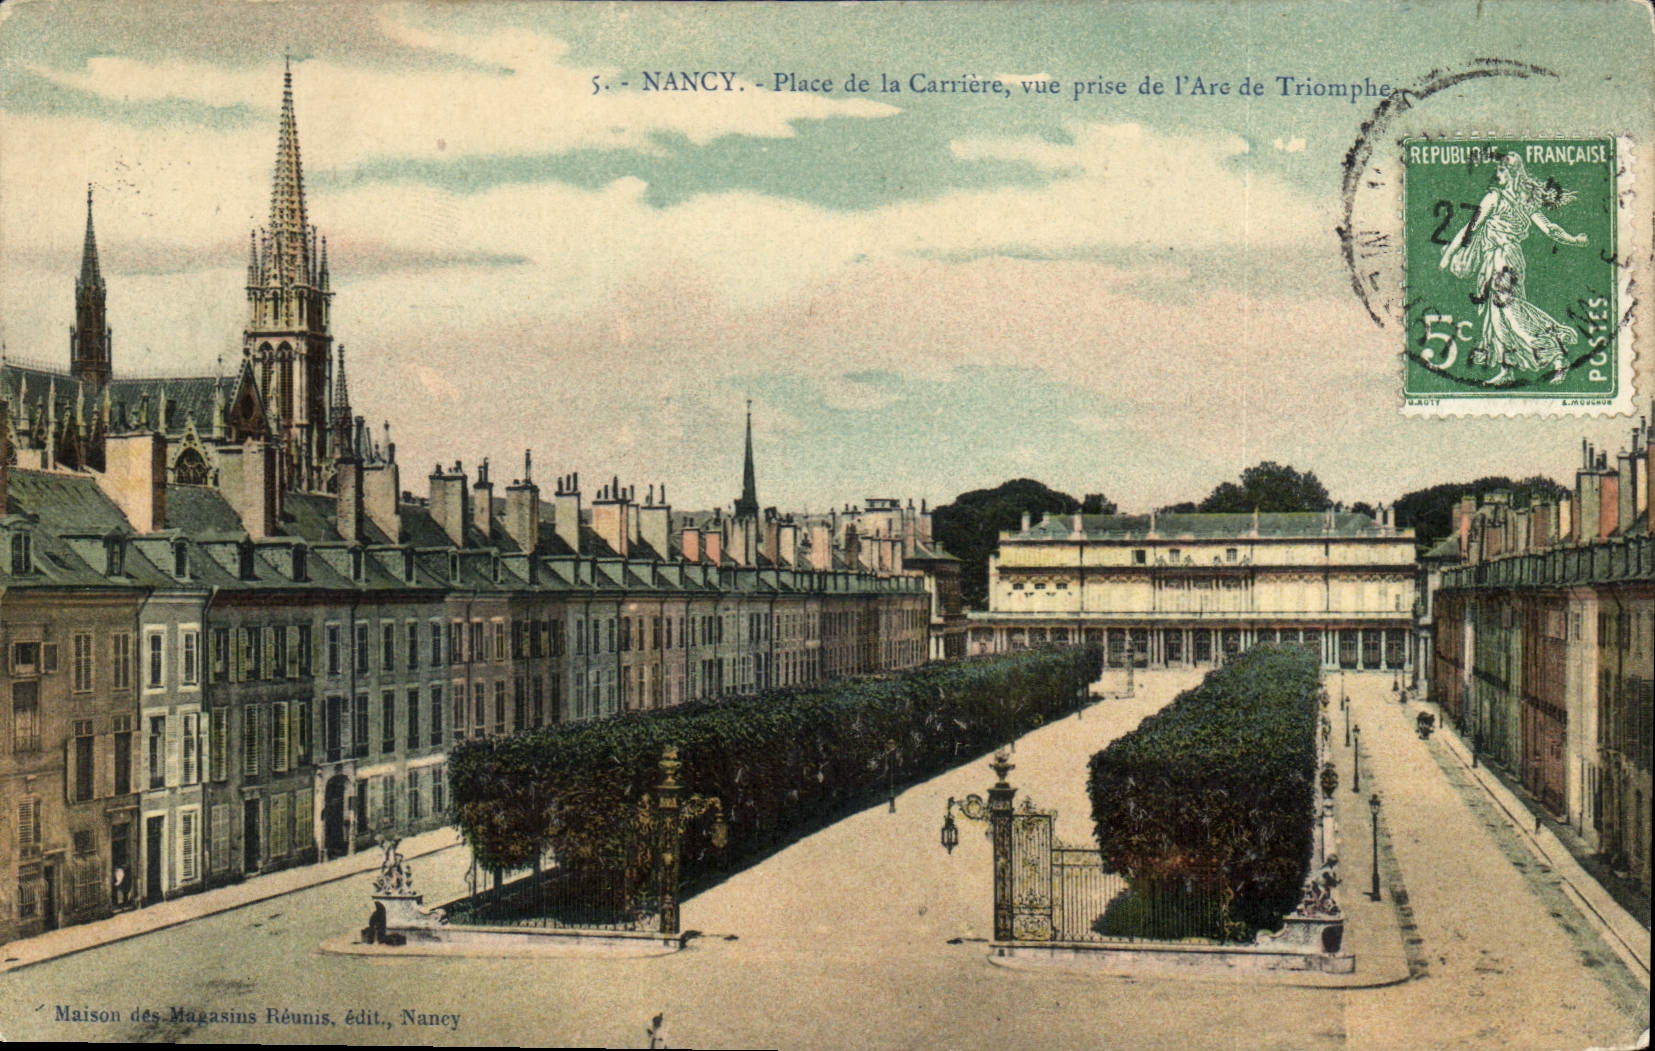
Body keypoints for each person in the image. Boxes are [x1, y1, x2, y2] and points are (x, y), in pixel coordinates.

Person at [1440, 152, 1589, 386]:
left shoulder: (1494, 198)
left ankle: (1556, 354)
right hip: (1511, 259)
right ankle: (1507, 370)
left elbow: (1470, 228)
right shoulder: (1525, 201)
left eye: (1500, 170)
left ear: (1510, 173)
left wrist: (1448, 255)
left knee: (1508, 312)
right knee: (1498, 316)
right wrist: (1574, 240)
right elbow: (1551, 229)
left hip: (1501, 260)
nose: (1496, 174)